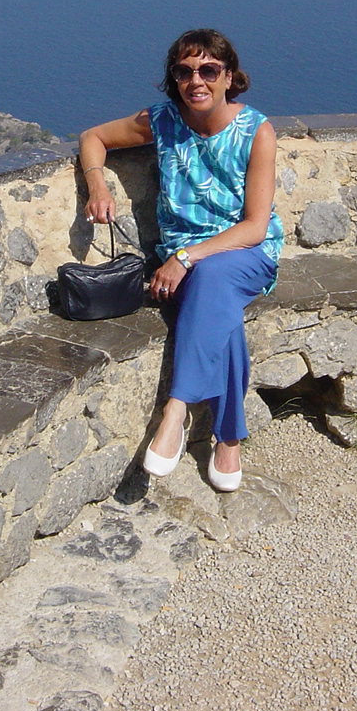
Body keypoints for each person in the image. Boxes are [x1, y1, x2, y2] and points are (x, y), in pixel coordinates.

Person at [78, 29, 284, 492]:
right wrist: (98, 185)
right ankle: (228, 437)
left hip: (246, 253)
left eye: (209, 70)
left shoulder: (257, 132)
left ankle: (175, 410)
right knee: (220, 311)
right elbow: (93, 137)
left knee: (212, 278)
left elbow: (254, 226)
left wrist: (185, 258)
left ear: (229, 77)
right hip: (190, 259)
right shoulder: (162, 121)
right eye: (185, 71)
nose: (197, 81)